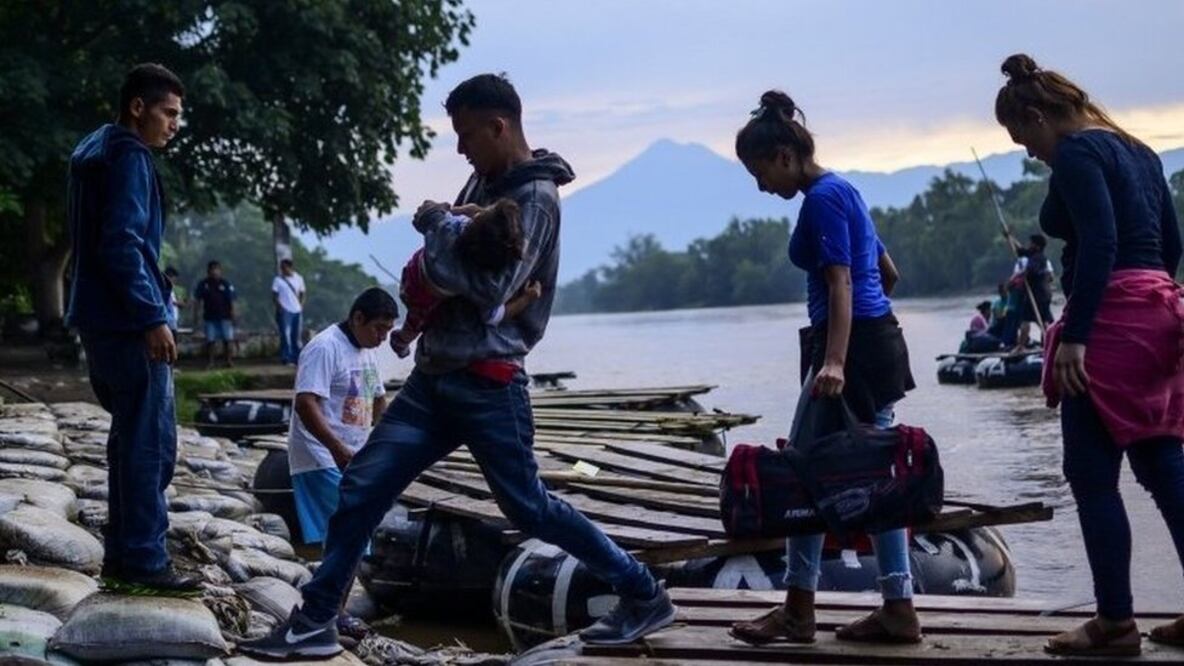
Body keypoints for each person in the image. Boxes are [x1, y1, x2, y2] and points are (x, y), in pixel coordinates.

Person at [241, 73, 675, 660]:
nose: (460, 149)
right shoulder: (488, 179)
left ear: (499, 127)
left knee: (530, 507)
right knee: (362, 487)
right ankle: (316, 619)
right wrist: (449, 239)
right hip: (432, 380)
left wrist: (437, 227)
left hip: (490, 386)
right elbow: (451, 262)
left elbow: (487, 283)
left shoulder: (536, 198)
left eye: (467, 135)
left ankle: (642, 591)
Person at [996, 53, 1184, 657]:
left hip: (1105, 322)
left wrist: (1076, 335)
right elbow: (1172, 243)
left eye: (1021, 135)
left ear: (1036, 114)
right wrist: (1151, 307)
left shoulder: (1078, 154)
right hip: (1158, 310)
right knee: (1162, 467)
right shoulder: (1139, 150)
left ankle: (1115, 623)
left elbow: (1100, 238)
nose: (1026, 149)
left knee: (1092, 477)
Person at [728, 90, 920, 645]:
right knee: (876, 478)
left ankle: (798, 610)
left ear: (785, 154)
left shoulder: (821, 200)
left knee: (805, 470)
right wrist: (863, 331)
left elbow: (840, 281)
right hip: (875, 343)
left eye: (758, 170)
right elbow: (889, 273)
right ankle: (897, 605)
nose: (761, 184)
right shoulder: (846, 189)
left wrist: (835, 359)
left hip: (850, 353)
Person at [63, 63, 199, 593]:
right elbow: (121, 244)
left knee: (129, 441)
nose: (173, 125)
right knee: (151, 445)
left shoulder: (95, 149)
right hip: (126, 322)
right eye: (168, 113)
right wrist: (150, 316)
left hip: (98, 318)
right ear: (137, 107)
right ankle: (143, 558)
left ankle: (124, 553)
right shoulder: (131, 157)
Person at [288, 287, 395, 641]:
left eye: (388, 331)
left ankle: (334, 611)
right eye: (379, 328)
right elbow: (306, 403)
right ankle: (330, 614)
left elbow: (378, 400)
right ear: (358, 318)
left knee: (352, 537)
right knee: (349, 537)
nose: (382, 338)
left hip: (354, 458)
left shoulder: (365, 353)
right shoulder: (325, 347)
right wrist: (335, 448)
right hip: (321, 456)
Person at [391, 197, 542, 359]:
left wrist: (454, 209)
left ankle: (402, 340)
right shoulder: (478, 281)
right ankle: (401, 341)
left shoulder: (447, 228)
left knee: (414, 321)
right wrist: (527, 298)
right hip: (424, 297)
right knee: (414, 324)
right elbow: (493, 317)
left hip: (412, 272)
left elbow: (428, 210)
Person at [1012, 233, 1056, 349]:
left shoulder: (1038, 258)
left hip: (1037, 295)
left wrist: (1022, 273)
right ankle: (1048, 344)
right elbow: (1021, 251)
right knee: (1044, 320)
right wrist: (1010, 237)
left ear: (1037, 246)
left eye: (1031, 243)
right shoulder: (1033, 254)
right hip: (1044, 295)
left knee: (1026, 320)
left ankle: (1021, 346)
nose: (1029, 245)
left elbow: (1032, 271)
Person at [194, 260, 236, 368]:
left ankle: (229, 361)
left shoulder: (226, 284)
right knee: (210, 340)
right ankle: (211, 362)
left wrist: (233, 313)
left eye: (216, 269)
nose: (214, 272)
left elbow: (231, 300)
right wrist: (196, 315)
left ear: (220, 271)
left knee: (228, 339)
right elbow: (198, 300)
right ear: (208, 271)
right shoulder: (203, 284)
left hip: (225, 316)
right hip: (209, 317)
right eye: (212, 269)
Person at [272, 258, 307, 365]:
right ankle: (286, 357)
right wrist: (279, 306)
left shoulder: (299, 278)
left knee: (296, 335)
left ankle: (296, 357)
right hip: (285, 310)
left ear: (290, 267)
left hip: (296, 310)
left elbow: (303, 293)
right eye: (281, 268)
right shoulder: (278, 280)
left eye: (284, 268)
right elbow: (274, 295)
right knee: (285, 335)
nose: (282, 270)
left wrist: (301, 305)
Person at [163, 266, 187, 332]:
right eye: (172, 278)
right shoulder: (163, 289)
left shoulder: (176, 290)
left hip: (174, 320)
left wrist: (179, 303)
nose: (174, 281)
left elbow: (184, 304)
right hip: (166, 320)